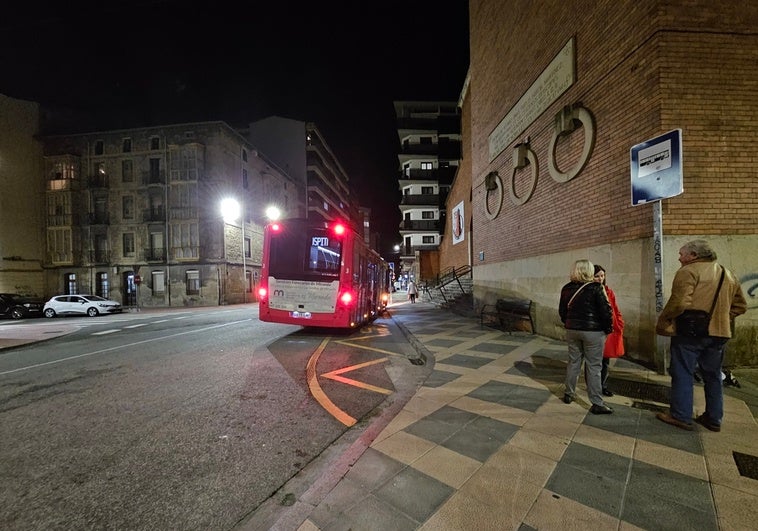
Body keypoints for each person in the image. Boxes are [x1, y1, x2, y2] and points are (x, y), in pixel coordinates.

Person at [655, 240, 747, 432]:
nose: (679, 257)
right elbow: (740, 306)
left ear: (694, 255)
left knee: (682, 372)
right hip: (720, 334)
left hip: (691, 332)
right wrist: (720, 318)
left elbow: (679, 303)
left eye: (682, 254)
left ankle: (680, 415)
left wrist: (665, 319)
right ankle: (714, 418)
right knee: (713, 375)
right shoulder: (727, 273)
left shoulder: (688, 271)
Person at [559, 259, 614, 414]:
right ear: (589, 271)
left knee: (573, 362)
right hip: (593, 332)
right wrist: (607, 329)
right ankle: (596, 402)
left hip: (572, 330)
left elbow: (562, 311)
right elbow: (606, 311)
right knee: (594, 366)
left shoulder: (566, 288)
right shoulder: (596, 288)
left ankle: (569, 393)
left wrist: (569, 323)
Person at [594, 265, 625, 397]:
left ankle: (602, 385)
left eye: (602, 275)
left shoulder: (608, 291)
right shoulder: (591, 291)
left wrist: (619, 322)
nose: (600, 278)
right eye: (597, 276)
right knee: (595, 361)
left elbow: (615, 308)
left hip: (609, 329)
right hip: (596, 331)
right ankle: (594, 386)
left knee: (605, 360)